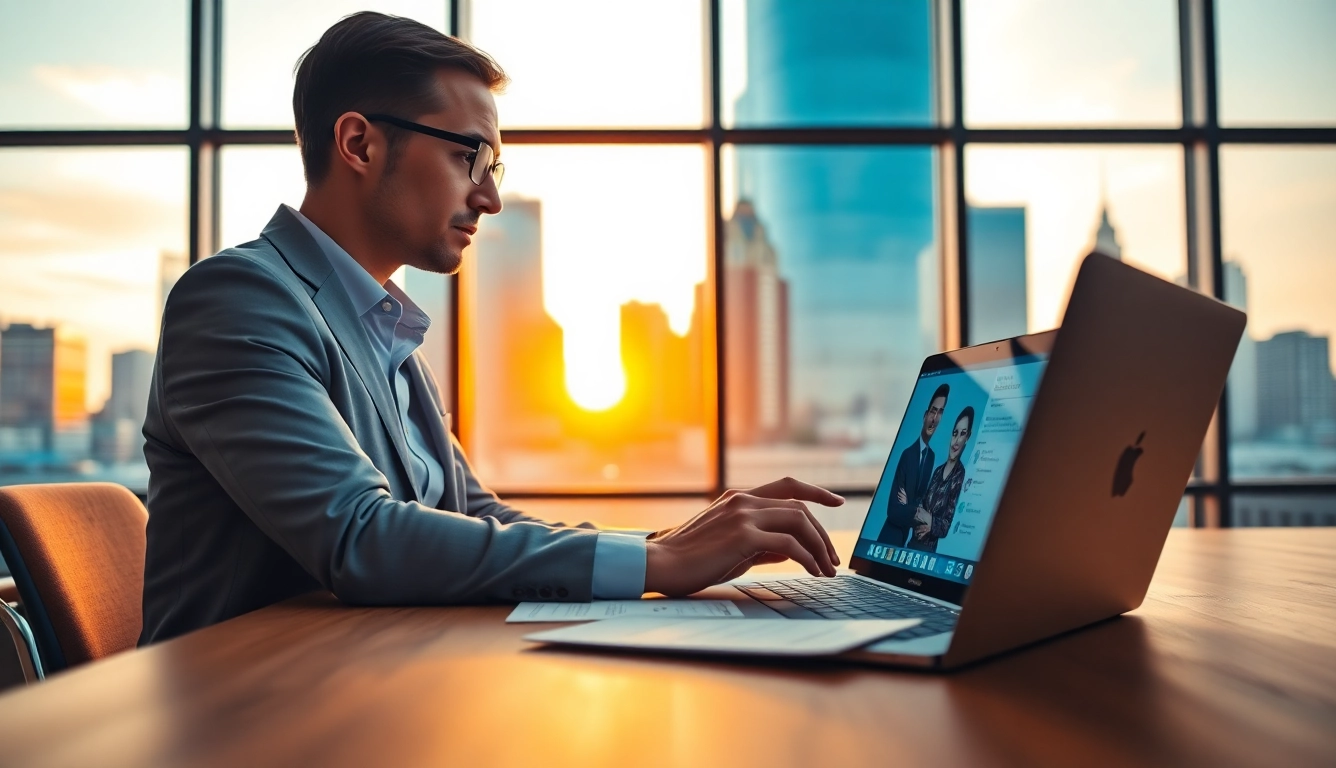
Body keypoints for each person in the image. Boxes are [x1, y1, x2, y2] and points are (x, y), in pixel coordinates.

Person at [139, 12, 841, 644]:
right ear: (358, 144)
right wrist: (659, 561)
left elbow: (476, 514)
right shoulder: (237, 300)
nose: (490, 196)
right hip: (237, 712)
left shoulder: (384, 332)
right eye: (468, 156)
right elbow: (358, 537)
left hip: (363, 682)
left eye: (493, 164)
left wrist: (669, 540)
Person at [877, 383, 948, 547]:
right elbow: (894, 510)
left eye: (940, 413)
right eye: (933, 411)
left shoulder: (931, 457)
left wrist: (911, 506)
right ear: (925, 415)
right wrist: (916, 511)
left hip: (905, 539)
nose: (935, 418)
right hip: (889, 537)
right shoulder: (907, 455)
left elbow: (921, 500)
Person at [909, 405, 974, 552]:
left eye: (962, 434)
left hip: (927, 551)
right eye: (954, 433)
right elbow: (921, 505)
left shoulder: (960, 475)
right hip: (912, 543)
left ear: (967, 437)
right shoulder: (938, 471)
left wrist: (930, 524)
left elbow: (946, 525)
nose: (956, 440)